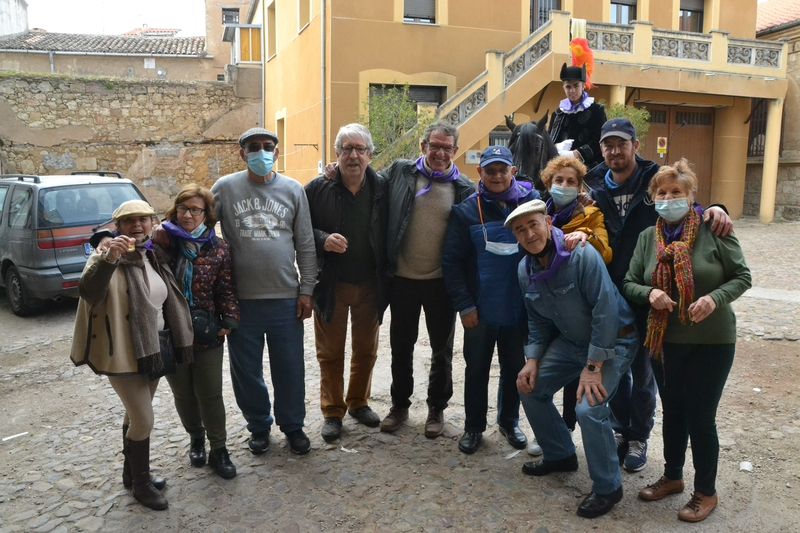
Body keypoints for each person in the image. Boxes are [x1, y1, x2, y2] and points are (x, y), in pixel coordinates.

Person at [583, 117, 733, 473]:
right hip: (612, 295)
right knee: (613, 368)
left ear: (636, 145)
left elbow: (686, 201)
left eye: (622, 143)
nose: (614, 151)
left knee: (645, 371)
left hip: (654, 297)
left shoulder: (654, 178)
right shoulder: (591, 184)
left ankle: (638, 435)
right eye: (608, 145)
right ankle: (621, 430)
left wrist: (719, 208)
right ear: (602, 149)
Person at [623, 159, 751, 522]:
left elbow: (742, 276)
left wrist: (714, 299)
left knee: (700, 417)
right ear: (654, 199)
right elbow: (630, 281)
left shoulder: (715, 230)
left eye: (676, 192)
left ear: (691, 195)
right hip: (665, 342)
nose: (668, 198)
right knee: (674, 412)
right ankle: (673, 477)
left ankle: (705, 492)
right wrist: (649, 294)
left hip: (712, 341)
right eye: (661, 193)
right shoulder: (649, 238)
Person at [508, 199, 637, 519]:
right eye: (520, 231)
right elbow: (537, 320)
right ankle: (560, 454)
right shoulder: (525, 269)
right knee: (529, 387)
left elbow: (605, 311)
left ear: (548, 222)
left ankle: (608, 487)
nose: (528, 234)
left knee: (588, 407)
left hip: (615, 340)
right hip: (571, 342)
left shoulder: (581, 256)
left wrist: (593, 367)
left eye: (533, 224)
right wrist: (532, 359)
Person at [70, 200, 193, 511]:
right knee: (144, 418)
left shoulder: (151, 253)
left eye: (143, 219)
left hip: (154, 347)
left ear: (152, 222)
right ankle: (141, 483)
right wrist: (108, 255)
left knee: (134, 414)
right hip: (123, 350)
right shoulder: (106, 254)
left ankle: (132, 473)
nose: (136, 225)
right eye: (128, 221)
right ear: (118, 226)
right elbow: (89, 290)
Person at [211, 127, 316, 455]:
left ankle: (293, 426)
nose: (261, 152)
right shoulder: (225, 188)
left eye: (267, 146)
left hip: (285, 297)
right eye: (253, 147)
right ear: (241, 153)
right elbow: (198, 227)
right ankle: (258, 425)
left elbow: (306, 243)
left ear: (277, 151)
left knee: (290, 367)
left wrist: (307, 290)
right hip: (241, 300)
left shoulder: (293, 189)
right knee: (246, 371)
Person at [379, 121, 475, 437]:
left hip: (440, 282)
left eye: (447, 147)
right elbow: (370, 186)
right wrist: (335, 170)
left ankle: (436, 408)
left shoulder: (463, 189)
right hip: (403, 278)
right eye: (434, 146)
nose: (440, 152)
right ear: (423, 147)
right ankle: (399, 405)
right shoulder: (401, 173)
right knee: (401, 347)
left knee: (441, 350)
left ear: (455, 151)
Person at [442, 146, 539, 455]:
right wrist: (465, 306)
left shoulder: (530, 205)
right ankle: (473, 427)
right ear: (479, 174)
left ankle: (509, 422)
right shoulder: (465, 211)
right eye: (490, 170)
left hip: (518, 308)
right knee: (476, 369)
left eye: (502, 170)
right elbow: (451, 263)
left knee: (514, 368)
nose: (497, 176)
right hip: (480, 312)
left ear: (512, 171)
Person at [304, 124, 389, 442]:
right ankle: (332, 411)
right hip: (331, 283)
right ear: (336, 154)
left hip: (370, 283)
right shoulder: (316, 188)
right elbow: (297, 230)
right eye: (346, 149)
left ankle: (358, 402)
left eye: (360, 149)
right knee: (330, 352)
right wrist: (323, 239)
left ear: (369, 154)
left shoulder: (383, 187)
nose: (353, 155)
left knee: (366, 350)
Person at [157, 184, 240, 478]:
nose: (188, 215)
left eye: (195, 209)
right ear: (175, 210)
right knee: (183, 393)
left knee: (210, 393)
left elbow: (226, 288)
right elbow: (126, 243)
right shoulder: (162, 243)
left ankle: (219, 449)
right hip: (170, 330)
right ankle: (196, 438)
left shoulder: (218, 248)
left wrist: (228, 322)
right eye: (183, 208)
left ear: (207, 214)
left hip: (206, 331)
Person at [540, 155, 612, 435]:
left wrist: (585, 233)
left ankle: (569, 426)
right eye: (559, 180)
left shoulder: (591, 215)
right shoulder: (537, 212)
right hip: (545, 304)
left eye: (571, 181)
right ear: (548, 183)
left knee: (574, 376)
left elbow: (606, 253)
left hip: (576, 306)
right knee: (543, 372)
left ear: (580, 187)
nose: (564, 185)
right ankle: (550, 432)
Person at [547, 61, 606, 169]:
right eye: (568, 87)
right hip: (561, 167)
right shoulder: (558, 114)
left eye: (576, 85)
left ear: (583, 86)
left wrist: (575, 154)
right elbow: (549, 141)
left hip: (590, 169)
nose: (572, 90)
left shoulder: (596, 110)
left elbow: (600, 141)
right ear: (563, 88)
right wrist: (556, 147)